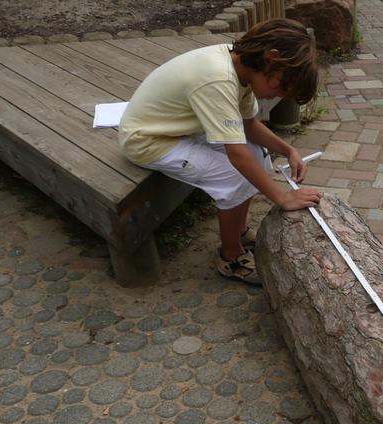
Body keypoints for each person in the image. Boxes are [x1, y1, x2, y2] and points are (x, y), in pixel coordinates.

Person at [119, 18, 323, 285]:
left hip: (179, 129)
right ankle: (231, 256)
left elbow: (248, 125)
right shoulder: (218, 78)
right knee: (232, 175)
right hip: (147, 140)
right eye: (281, 87)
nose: (278, 96)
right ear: (271, 59)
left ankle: (239, 231)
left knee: (259, 157)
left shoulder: (244, 68)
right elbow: (236, 157)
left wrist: (288, 150)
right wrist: (282, 198)